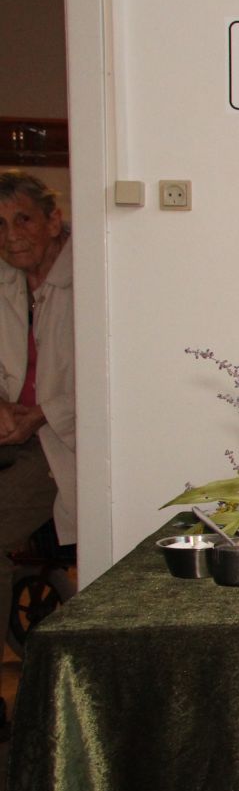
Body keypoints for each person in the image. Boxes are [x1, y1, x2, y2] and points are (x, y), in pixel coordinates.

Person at [0, 171, 76, 644]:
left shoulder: (88, 278)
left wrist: (43, 412)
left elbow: (109, 376)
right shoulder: (7, 280)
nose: (11, 235)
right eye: (0, 224)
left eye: (23, 219)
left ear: (53, 220)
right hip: (15, 432)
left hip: (60, 441)